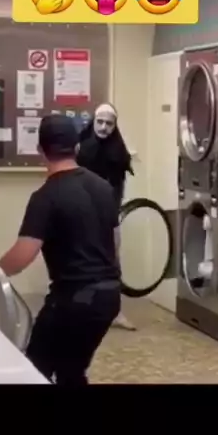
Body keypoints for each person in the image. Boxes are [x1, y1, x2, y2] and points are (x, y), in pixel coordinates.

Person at [0, 114, 121, 386]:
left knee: (36, 368)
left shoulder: (46, 197)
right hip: (109, 298)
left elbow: (23, 255)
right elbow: (114, 241)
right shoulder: (103, 187)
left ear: (40, 151)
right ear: (77, 147)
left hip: (74, 300)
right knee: (71, 370)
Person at [77, 102, 136, 330]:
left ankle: (114, 312)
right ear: (93, 122)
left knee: (111, 263)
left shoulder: (118, 152)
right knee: (80, 262)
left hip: (108, 214)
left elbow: (118, 185)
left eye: (109, 124)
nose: (103, 127)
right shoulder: (80, 148)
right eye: (99, 122)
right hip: (81, 214)